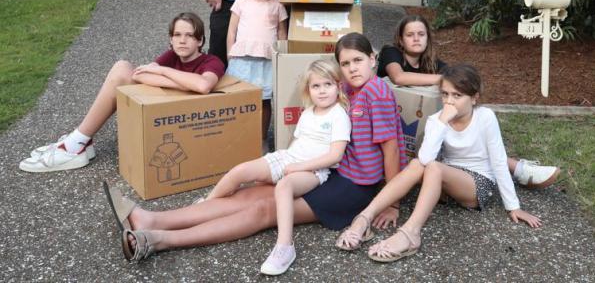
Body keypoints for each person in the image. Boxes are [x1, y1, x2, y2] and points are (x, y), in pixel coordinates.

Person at [103, 32, 406, 263]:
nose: (352, 68)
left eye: (358, 61)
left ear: (373, 60)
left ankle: (158, 240)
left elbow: (391, 149)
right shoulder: (349, 88)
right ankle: (152, 219)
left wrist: (390, 202)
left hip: (353, 186)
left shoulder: (376, 93)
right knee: (248, 192)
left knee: (264, 209)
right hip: (328, 169)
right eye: (345, 63)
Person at [336, 64, 542, 262]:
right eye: (445, 94)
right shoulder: (437, 119)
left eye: (457, 95)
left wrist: (513, 207)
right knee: (418, 163)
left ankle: (411, 233)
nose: (449, 102)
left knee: (433, 167)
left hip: (477, 184)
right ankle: (364, 218)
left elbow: (498, 161)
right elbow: (424, 159)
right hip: (446, 178)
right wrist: (442, 123)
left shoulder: (485, 117)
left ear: (474, 98)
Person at [19, 12, 224, 173]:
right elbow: (140, 75)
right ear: (170, 39)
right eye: (177, 35)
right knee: (123, 67)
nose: (182, 40)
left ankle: (77, 142)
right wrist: (185, 83)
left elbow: (203, 86)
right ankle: (80, 140)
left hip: (188, 121)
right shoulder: (173, 55)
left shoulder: (211, 62)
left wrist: (163, 71)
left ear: (200, 41)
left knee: (121, 72)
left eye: (189, 35)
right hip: (166, 113)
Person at [198, 59, 350, 275]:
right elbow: (296, 144)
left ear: (338, 86)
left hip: (314, 170)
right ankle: (207, 204)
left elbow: (336, 155)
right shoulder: (308, 113)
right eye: (316, 86)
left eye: (328, 84)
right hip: (290, 158)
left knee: (285, 186)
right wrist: (276, 167)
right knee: (241, 170)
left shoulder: (339, 115)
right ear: (308, 90)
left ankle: (285, 247)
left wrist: (298, 167)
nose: (322, 91)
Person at [377, 14, 561, 189]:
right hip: (391, 131)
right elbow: (399, 77)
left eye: (421, 34)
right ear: (401, 40)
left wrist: (448, 81)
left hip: (426, 133)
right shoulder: (390, 52)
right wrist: (442, 79)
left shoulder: (432, 62)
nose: (416, 38)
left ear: (427, 38)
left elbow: (459, 83)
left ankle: (518, 169)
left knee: (473, 132)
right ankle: (514, 169)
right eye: (410, 35)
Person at [224, 0, 287, 144]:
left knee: (264, 100)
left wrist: (281, 58)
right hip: (242, 59)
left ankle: (261, 138)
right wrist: (230, 55)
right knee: (240, 100)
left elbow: (282, 34)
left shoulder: (277, 6)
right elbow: (231, 31)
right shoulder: (240, 3)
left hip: (266, 61)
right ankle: (238, 137)